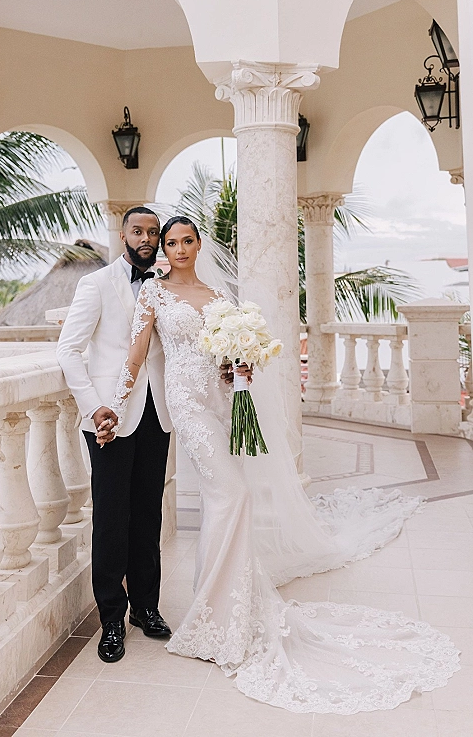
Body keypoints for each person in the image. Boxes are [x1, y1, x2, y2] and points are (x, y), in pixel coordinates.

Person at [99, 215, 460, 713]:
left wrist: (238, 370)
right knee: (233, 495)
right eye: (170, 242)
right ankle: (216, 612)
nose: (179, 249)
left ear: (199, 245)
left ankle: (227, 610)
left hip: (222, 407)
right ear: (162, 247)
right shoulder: (153, 294)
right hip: (186, 405)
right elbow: (137, 356)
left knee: (226, 500)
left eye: (187, 241)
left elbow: (227, 369)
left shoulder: (221, 301)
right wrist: (115, 406)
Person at [56, 206, 173, 663]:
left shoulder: (166, 285)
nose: (146, 238)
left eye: (153, 232)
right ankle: (110, 618)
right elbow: (69, 350)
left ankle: (146, 606)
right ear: (123, 234)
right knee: (110, 517)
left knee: (147, 512)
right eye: (138, 230)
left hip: (154, 415)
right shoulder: (96, 284)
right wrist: (94, 405)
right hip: (108, 418)